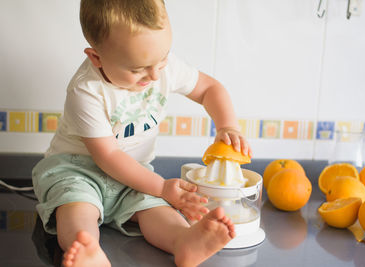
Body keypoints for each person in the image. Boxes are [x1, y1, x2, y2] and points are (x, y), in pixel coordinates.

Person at [32, 0, 252, 266]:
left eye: (162, 60)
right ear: (97, 57)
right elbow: (108, 156)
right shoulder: (85, 90)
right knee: (77, 207)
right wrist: (160, 186)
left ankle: (183, 241)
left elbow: (209, 89)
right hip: (77, 172)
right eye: (137, 70)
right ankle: (88, 249)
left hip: (135, 173)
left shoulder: (159, 66)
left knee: (154, 207)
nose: (155, 76)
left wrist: (227, 126)